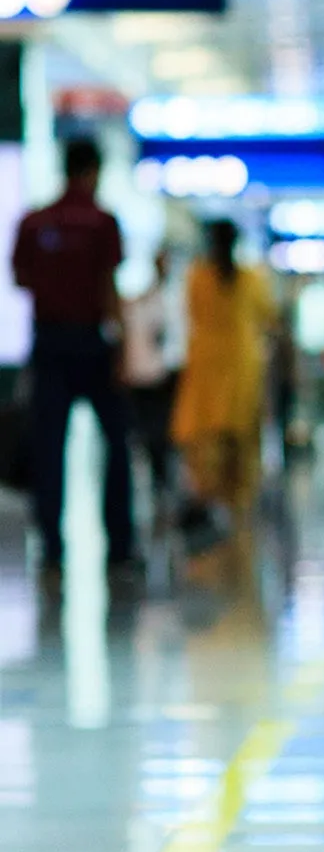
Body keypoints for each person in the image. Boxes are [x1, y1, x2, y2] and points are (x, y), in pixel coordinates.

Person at [9, 136, 138, 586]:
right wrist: (123, 350)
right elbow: (109, 287)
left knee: (51, 449)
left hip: (49, 343)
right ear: (93, 171)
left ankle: (51, 548)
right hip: (93, 343)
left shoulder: (33, 221)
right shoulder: (103, 223)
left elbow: (21, 278)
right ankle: (119, 547)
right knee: (116, 446)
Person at [170, 219, 276, 531]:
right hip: (242, 368)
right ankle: (238, 512)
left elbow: (191, 314)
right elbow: (268, 317)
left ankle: (212, 506)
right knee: (241, 444)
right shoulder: (251, 279)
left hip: (207, 369)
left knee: (207, 443)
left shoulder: (197, 277)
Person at [122, 244, 185, 522]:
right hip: (142, 378)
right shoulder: (141, 301)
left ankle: (164, 484)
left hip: (164, 377)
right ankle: (158, 483)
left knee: (162, 434)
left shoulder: (173, 299)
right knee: (146, 435)